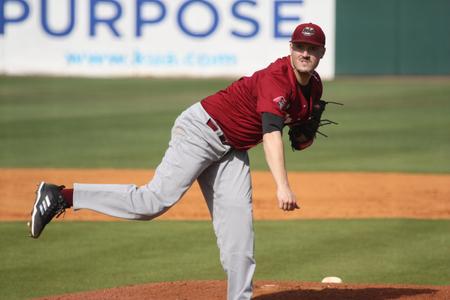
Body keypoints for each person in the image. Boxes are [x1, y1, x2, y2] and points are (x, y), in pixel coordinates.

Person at [29, 22, 327, 300]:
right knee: (152, 201)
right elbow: (272, 135)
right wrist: (282, 186)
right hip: (201, 130)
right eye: (300, 47)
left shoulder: (314, 87)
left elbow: (299, 138)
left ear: (321, 54)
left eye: (312, 49)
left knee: (239, 230)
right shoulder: (277, 80)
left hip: (233, 148)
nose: (305, 53)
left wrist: (304, 137)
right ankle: (61, 196)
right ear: (290, 48)